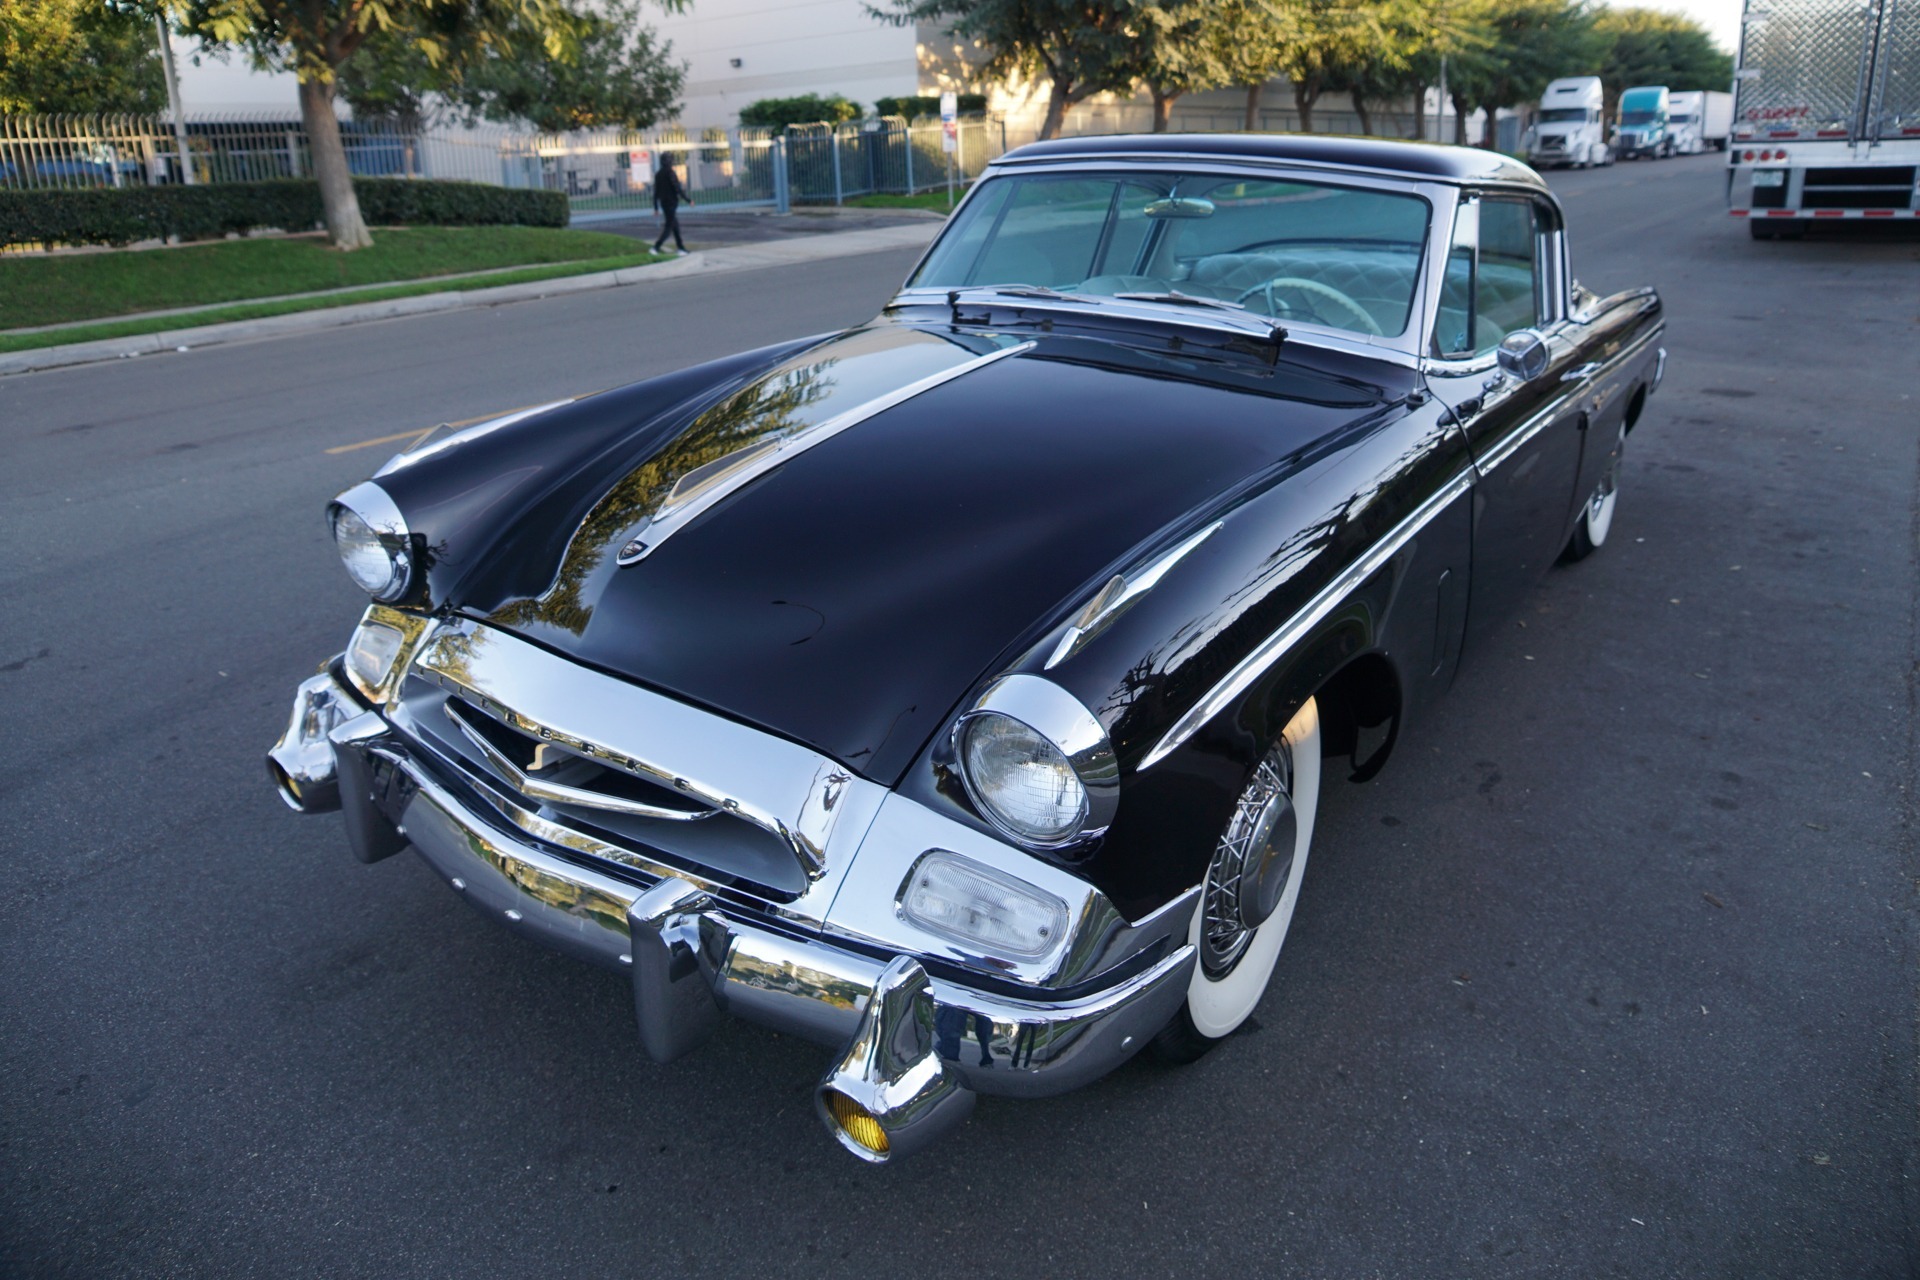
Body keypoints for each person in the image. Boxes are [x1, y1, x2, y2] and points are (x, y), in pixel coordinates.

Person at [651, 155, 690, 254]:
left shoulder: (658, 174)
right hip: (671, 203)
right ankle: (656, 247)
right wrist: (688, 200)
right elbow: (677, 188)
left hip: (664, 204)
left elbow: (656, 192)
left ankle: (680, 248)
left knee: (675, 226)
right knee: (669, 227)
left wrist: (656, 207)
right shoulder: (670, 173)